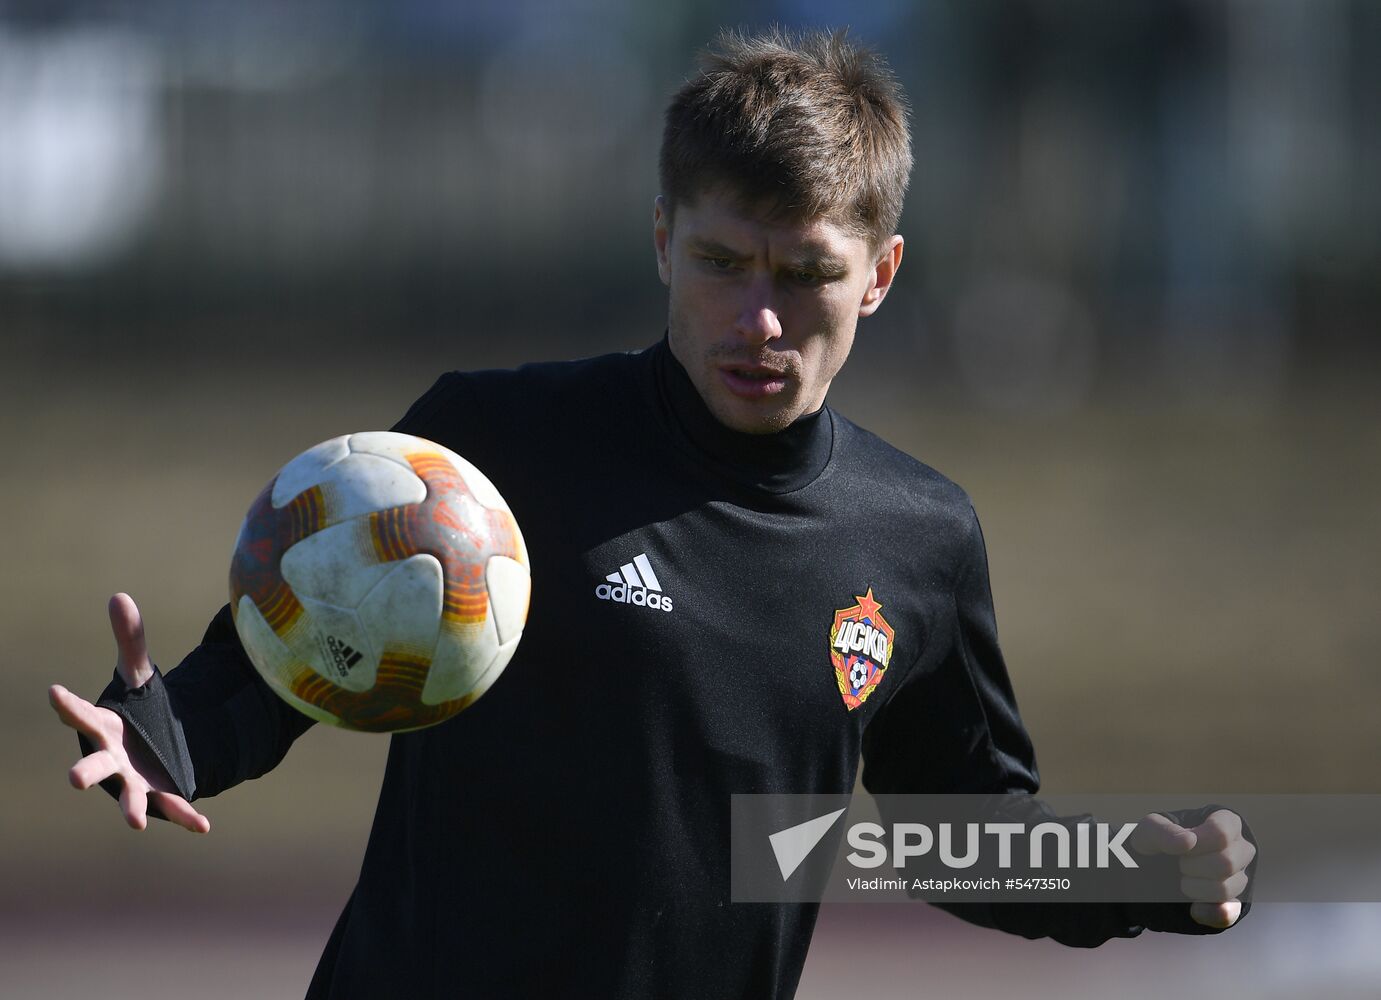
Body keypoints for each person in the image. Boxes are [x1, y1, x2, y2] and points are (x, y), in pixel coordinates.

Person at [50, 28, 1255, 999]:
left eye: (806, 273)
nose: (760, 320)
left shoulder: (918, 538)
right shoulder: (489, 443)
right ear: (663, 241)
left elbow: (954, 828)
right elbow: (309, 644)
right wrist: (173, 733)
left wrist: (1141, 871)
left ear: (877, 276)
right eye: (724, 264)